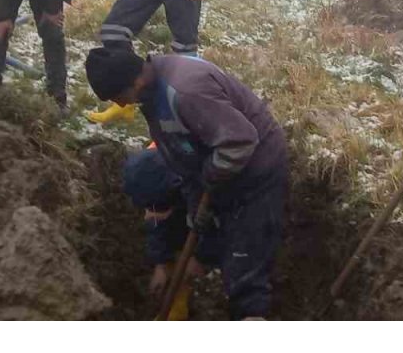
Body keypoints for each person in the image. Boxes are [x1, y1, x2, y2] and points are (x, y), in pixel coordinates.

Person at [85, 47, 287, 320]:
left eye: (118, 97)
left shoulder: (185, 91)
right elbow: (185, 162)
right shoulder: (152, 95)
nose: (120, 105)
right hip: (217, 166)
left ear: (135, 81)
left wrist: (210, 178)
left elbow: (240, 141)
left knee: (244, 267)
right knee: (206, 225)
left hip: (256, 168)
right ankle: (211, 259)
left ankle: (251, 314)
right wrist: (196, 214)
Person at [122, 146, 223, 320]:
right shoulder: (145, 173)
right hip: (181, 198)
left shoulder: (205, 175)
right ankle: (177, 302)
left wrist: (201, 257)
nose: (149, 212)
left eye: (156, 207)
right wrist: (161, 263)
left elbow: (221, 222)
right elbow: (155, 223)